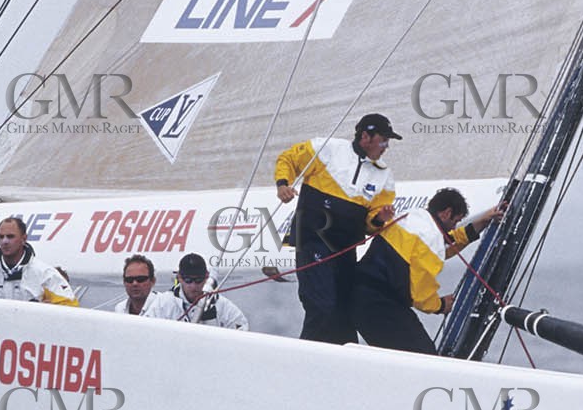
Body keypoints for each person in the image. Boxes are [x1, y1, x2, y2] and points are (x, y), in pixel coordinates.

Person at [273, 112, 399, 344]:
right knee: (321, 304)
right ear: (366, 136)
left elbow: (371, 226)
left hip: (345, 250)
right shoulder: (328, 149)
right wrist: (283, 184)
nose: (386, 147)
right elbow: (288, 158)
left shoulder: (384, 176)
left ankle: (343, 355)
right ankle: (303, 356)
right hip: (312, 240)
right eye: (383, 140)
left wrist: (379, 219)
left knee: (343, 311)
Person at [351, 188, 500, 354]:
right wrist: (440, 305)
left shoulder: (410, 217)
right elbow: (420, 293)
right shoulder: (431, 239)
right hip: (380, 305)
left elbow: (447, 242)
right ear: (446, 213)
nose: (454, 226)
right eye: (455, 221)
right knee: (424, 356)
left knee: (398, 356)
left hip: (358, 294)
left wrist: (481, 223)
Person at [0, 216, 79, 305]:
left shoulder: (45, 274)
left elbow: (70, 307)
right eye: (1, 237)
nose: (5, 241)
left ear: (23, 239)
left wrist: (49, 310)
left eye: (10, 236)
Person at [171, 253, 248, 330]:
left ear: (206, 277)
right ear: (179, 278)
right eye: (188, 280)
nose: (193, 286)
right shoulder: (165, 303)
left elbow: (242, 329)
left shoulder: (223, 308)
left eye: (198, 280)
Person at [118, 254, 183, 318]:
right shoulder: (120, 309)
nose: (135, 283)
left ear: (153, 281)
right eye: (129, 279)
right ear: (124, 282)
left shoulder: (168, 306)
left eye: (140, 279)